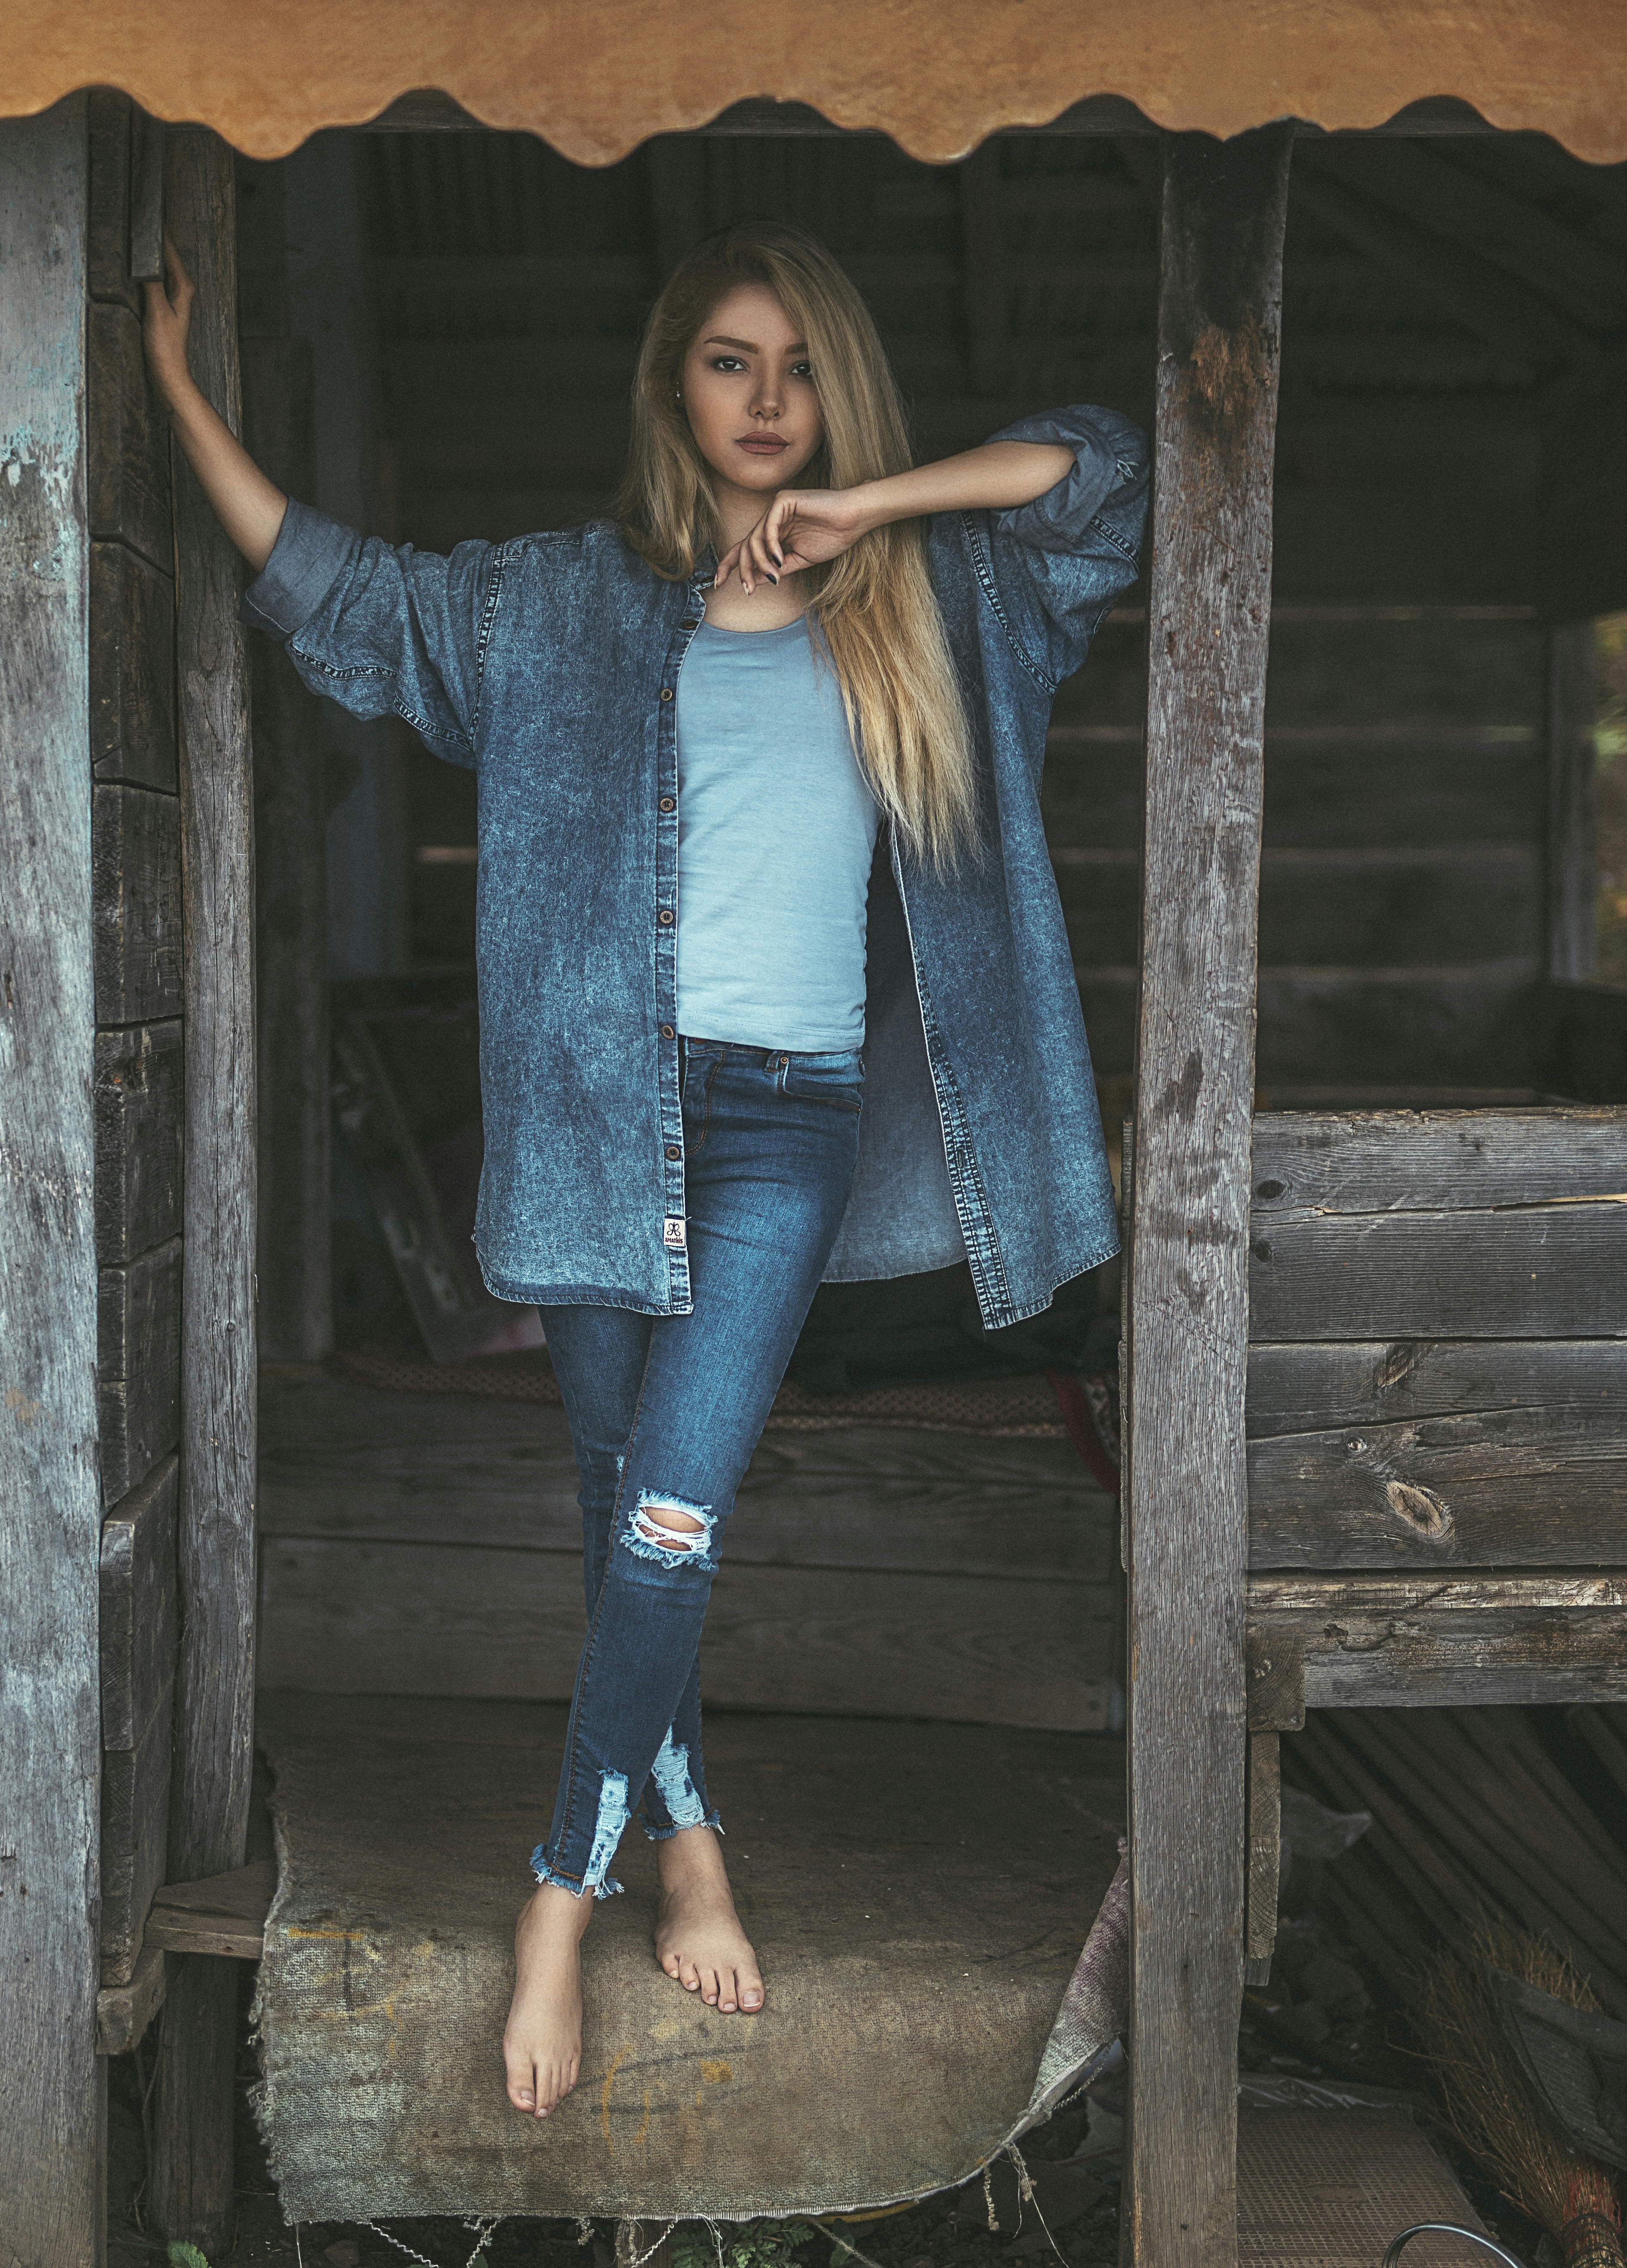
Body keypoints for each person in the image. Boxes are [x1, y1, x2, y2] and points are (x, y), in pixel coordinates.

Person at [143, 217, 1148, 2125]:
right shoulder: (552, 605)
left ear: (834, 395)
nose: (766, 403)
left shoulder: (940, 594)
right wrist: (173, 385)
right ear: (671, 387)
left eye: (797, 371)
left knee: (675, 1524)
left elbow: (1108, 470)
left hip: (790, 1129)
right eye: (729, 365)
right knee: (624, 1517)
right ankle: (687, 1848)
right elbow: (333, 588)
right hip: (601, 1114)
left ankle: (555, 1890)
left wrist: (869, 505)